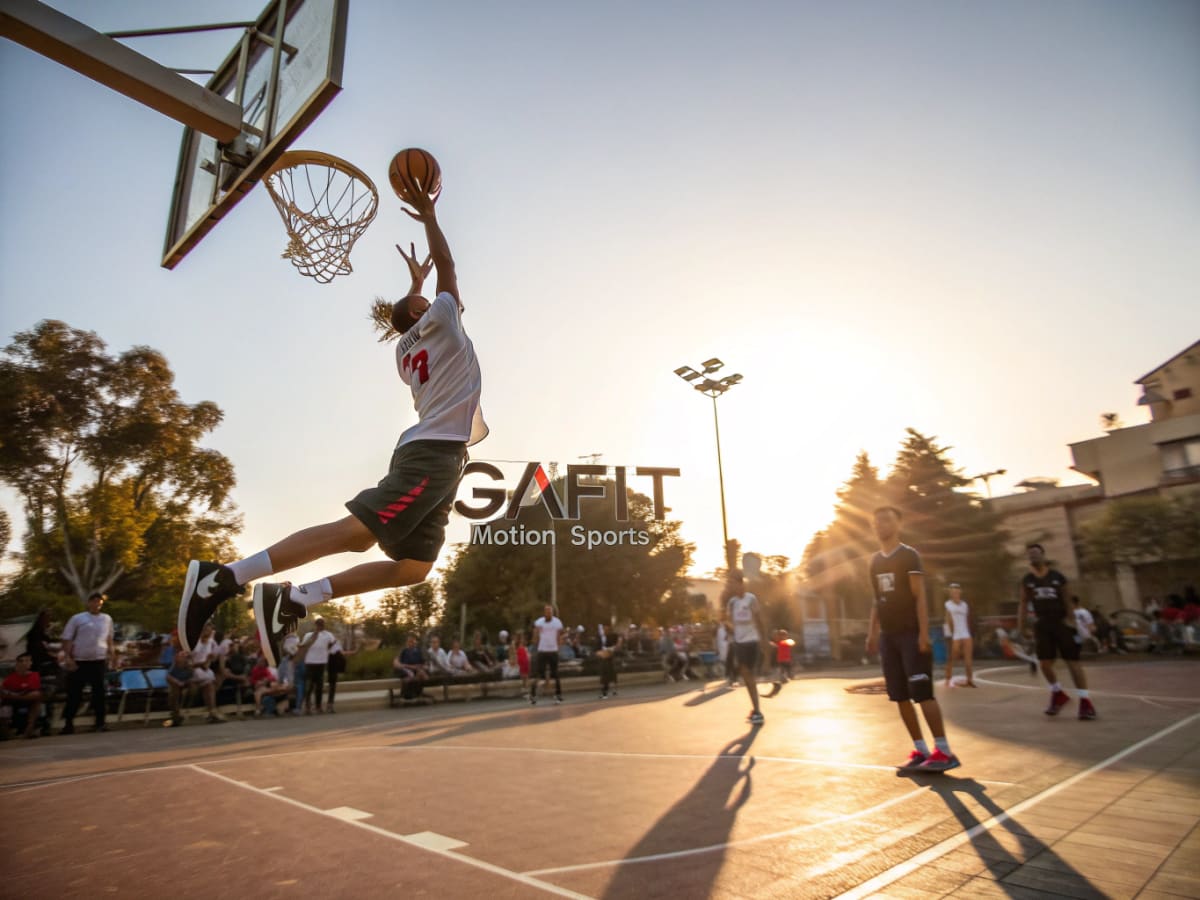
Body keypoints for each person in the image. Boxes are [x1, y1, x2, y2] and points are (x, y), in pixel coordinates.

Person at [177, 187, 488, 668]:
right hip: (436, 453)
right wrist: (429, 215)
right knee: (356, 532)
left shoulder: (405, 351)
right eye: (426, 301)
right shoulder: (441, 322)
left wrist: (415, 284)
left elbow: (427, 303)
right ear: (424, 313)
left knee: (414, 568)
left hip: (436, 452)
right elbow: (449, 265)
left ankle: (298, 600)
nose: (438, 302)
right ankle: (224, 578)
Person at [866, 507, 960, 772]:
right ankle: (921, 750)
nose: (881, 524)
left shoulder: (909, 555)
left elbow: (920, 597)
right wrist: (872, 632)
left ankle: (944, 751)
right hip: (888, 636)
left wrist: (922, 633)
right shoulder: (874, 561)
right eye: (877, 520)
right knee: (900, 696)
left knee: (922, 692)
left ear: (898, 524)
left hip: (910, 634)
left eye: (886, 519)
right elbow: (876, 599)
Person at [1017, 544, 1096, 720]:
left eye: (1036, 553)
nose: (1033, 556)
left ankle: (1085, 701)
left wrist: (1072, 622)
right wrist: (1021, 626)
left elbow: (1067, 601)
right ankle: (1058, 693)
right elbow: (1023, 603)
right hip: (1042, 625)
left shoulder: (1057, 577)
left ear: (1043, 556)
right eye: (1030, 555)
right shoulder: (1027, 580)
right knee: (1044, 663)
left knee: (1072, 662)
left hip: (1061, 623)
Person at [60, 592, 116, 735]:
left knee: (99, 692)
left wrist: (112, 654)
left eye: (99, 602)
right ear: (89, 603)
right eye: (94, 601)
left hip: (98, 660)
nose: (97, 604)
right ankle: (68, 723)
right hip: (80, 661)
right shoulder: (78, 618)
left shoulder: (106, 619)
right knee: (74, 693)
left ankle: (100, 722)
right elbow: (67, 638)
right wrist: (68, 657)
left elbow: (109, 638)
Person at [725, 570, 770, 725]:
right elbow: (729, 622)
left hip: (753, 641)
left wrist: (765, 644)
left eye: (733, 583)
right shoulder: (731, 602)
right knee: (746, 673)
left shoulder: (751, 599)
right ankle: (756, 710)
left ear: (740, 583)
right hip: (739, 643)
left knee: (749, 675)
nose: (731, 586)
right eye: (729, 583)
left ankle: (757, 710)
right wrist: (728, 627)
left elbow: (760, 621)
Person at [1, 652, 45, 740]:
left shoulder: (34, 675)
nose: (28, 663)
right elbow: (3, 690)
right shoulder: (10, 678)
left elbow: (34, 690)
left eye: (29, 661)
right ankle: (8, 735)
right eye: (25, 661)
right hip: (13, 700)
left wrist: (15, 695)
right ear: (18, 663)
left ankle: (29, 730)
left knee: (36, 697)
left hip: (27, 700)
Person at [943, 583, 976, 687]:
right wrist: (949, 635)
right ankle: (948, 678)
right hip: (954, 635)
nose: (955, 593)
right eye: (953, 592)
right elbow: (947, 620)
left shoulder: (964, 605)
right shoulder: (948, 604)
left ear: (960, 592)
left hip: (965, 633)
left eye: (957, 591)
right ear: (950, 593)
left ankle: (969, 680)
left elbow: (967, 619)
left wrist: (970, 633)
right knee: (952, 657)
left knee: (968, 658)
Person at [530, 604, 564, 705]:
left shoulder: (557, 622)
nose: (548, 613)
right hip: (542, 650)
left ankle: (559, 695)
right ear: (544, 612)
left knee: (555, 673)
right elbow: (535, 634)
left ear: (552, 613)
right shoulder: (539, 622)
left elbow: (559, 636)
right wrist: (535, 641)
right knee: (538, 673)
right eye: (546, 611)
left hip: (553, 650)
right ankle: (533, 695)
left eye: (550, 611)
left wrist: (558, 647)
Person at [302, 618, 337, 713]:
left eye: (321, 624)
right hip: (310, 662)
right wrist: (314, 636)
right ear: (315, 625)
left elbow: (333, 643)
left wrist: (327, 648)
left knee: (319, 686)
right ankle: (308, 706)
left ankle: (318, 706)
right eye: (318, 624)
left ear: (324, 625)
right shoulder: (309, 635)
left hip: (321, 662)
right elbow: (304, 645)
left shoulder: (328, 635)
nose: (320, 626)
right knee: (309, 685)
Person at [393, 635, 428, 700]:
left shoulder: (418, 651)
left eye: (413, 641)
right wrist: (408, 666)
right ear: (407, 642)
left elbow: (424, 662)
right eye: (409, 641)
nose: (411, 643)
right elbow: (396, 662)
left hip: (417, 670)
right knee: (410, 676)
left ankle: (417, 694)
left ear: (415, 642)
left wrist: (423, 667)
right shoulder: (404, 651)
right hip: (406, 670)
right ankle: (406, 695)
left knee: (422, 675)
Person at [594, 624, 622, 699]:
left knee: (611, 674)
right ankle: (604, 692)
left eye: (606, 629)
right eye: (603, 629)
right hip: (603, 658)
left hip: (610, 657)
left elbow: (617, 646)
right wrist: (601, 653)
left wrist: (611, 650)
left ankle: (610, 690)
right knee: (604, 675)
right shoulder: (599, 638)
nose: (605, 630)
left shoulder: (612, 636)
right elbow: (596, 649)